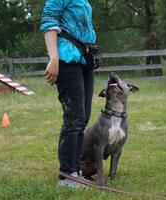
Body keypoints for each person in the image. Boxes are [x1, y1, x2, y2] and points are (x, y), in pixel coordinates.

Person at [40, 0, 96, 188]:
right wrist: (54, 57)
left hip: (84, 60)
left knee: (82, 117)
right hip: (65, 59)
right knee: (74, 118)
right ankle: (66, 175)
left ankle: (75, 170)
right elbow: (49, 21)